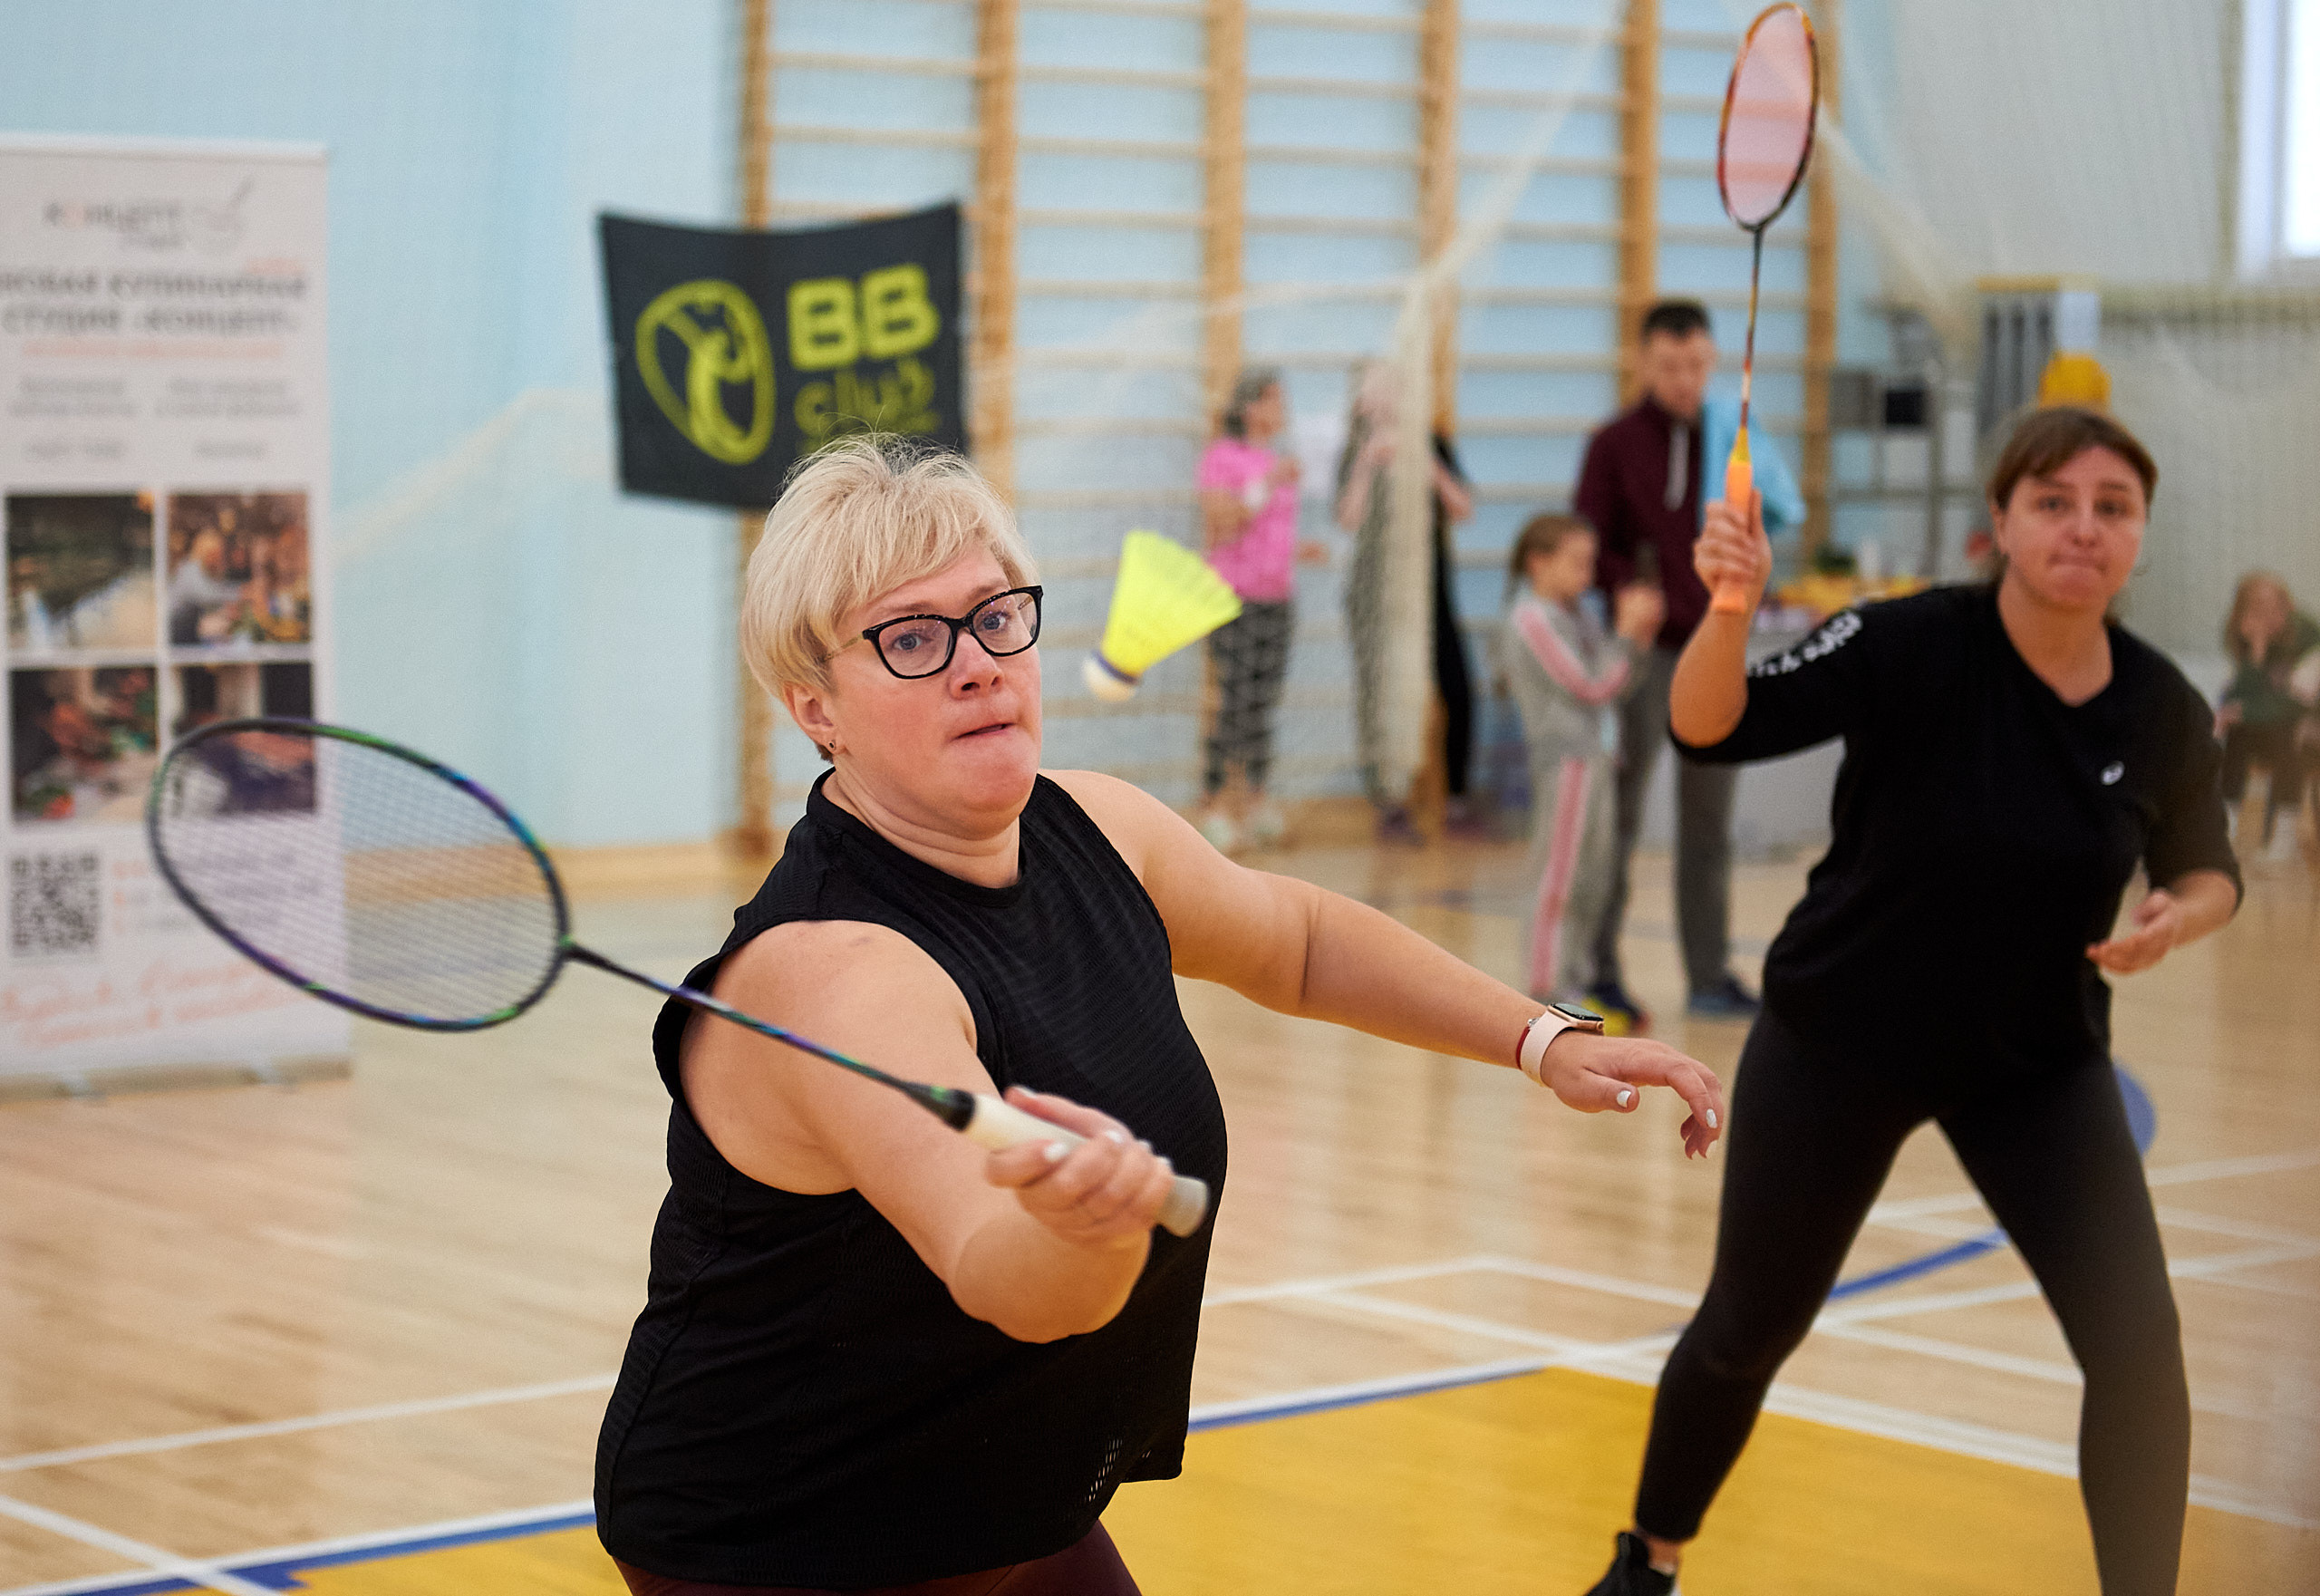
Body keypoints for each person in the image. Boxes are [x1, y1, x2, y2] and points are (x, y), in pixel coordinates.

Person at [593, 438, 1726, 1596]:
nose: (978, 665)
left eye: (996, 616)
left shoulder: (1097, 825)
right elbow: (1000, 1268)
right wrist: (1089, 1230)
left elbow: (1295, 941)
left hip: (1005, 1497)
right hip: (793, 1540)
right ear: (814, 706)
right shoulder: (842, 975)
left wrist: (1543, 1037)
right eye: (912, 638)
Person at [1581, 406, 2241, 1596]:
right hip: (1841, 1039)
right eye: (2053, 502)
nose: (2082, 528)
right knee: (1745, 1331)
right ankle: (1649, 1563)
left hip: (2037, 1065)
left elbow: (2208, 867)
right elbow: (1707, 722)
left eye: (2112, 507)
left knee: (2140, 1354)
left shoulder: (2161, 708)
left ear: (2141, 531)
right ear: (2000, 523)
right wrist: (1729, 609)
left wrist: (2180, 915)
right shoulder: (1907, 641)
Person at [1574, 298, 1803, 1029]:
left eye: (1698, 365)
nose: (1685, 379)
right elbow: (1588, 543)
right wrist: (1626, 588)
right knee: (1619, 816)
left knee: (1710, 820)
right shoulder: (1612, 444)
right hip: (1640, 658)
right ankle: (1600, 973)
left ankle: (1708, 975)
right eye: (1671, 366)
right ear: (1644, 362)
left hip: (1713, 649)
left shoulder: (1735, 443)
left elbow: (1768, 522)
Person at [1500, 513, 1661, 1015]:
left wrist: (1638, 639)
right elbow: (1590, 686)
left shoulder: (1578, 614)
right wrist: (1628, 636)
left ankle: (1576, 980)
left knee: (1595, 877)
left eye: (1590, 563)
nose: (1586, 575)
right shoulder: (1532, 620)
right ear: (1538, 562)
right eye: (1575, 563)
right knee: (1559, 876)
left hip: (1596, 759)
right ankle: (1547, 988)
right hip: (1567, 762)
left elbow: (1614, 686)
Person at [1335, 363, 1475, 842]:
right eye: (1373, 386)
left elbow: (1463, 509)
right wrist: (1366, 465)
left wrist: (1426, 463)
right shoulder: (1355, 448)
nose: (1384, 394)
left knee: (1457, 687)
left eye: (1391, 384)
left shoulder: (1430, 441)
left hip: (1430, 586)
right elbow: (1347, 520)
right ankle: (1388, 804)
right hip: (1373, 592)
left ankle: (1457, 801)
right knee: (1379, 695)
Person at [1194, 367, 1328, 853]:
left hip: (1277, 597)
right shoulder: (1223, 458)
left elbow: (1267, 534)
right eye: (1274, 399)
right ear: (1250, 406)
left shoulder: (1276, 460)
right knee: (1233, 702)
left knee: (1264, 704)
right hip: (1232, 598)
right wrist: (1268, 482)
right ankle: (1211, 805)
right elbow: (1224, 524)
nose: (1282, 409)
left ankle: (1255, 802)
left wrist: (1299, 549)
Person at [2216, 570, 2317, 863]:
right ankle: (2225, 828)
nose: (2269, 616)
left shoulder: (2310, 638)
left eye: (2277, 606)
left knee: (2287, 734)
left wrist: (2243, 710)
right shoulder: (2249, 638)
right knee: (2237, 733)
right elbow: (2238, 697)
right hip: (2272, 722)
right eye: (2257, 609)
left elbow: (2297, 704)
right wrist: (2256, 654)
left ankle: (2283, 836)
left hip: (2307, 724)